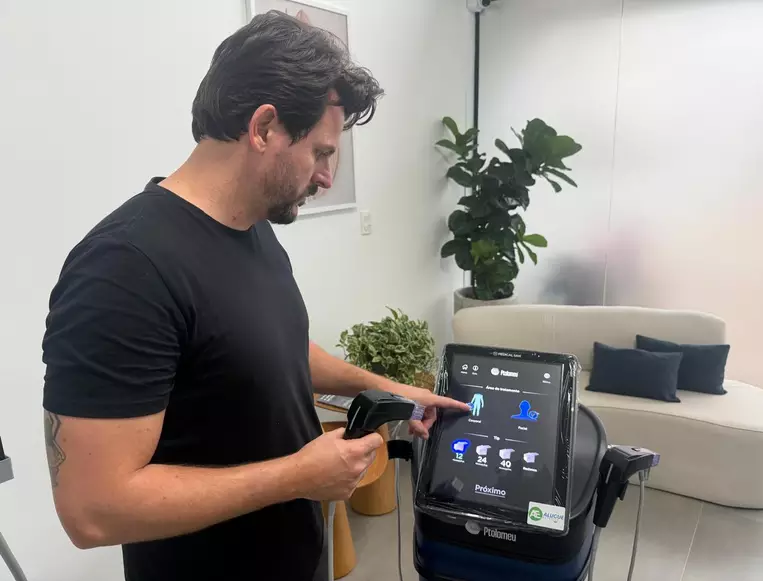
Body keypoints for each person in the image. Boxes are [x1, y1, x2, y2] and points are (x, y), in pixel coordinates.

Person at [41, 11, 468, 581]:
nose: (327, 178)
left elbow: (272, 348)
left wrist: (392, 391)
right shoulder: (124, 268)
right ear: (265, 127)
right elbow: (92, 510)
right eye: (321, 153)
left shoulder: (253, 229)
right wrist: (297, 476)